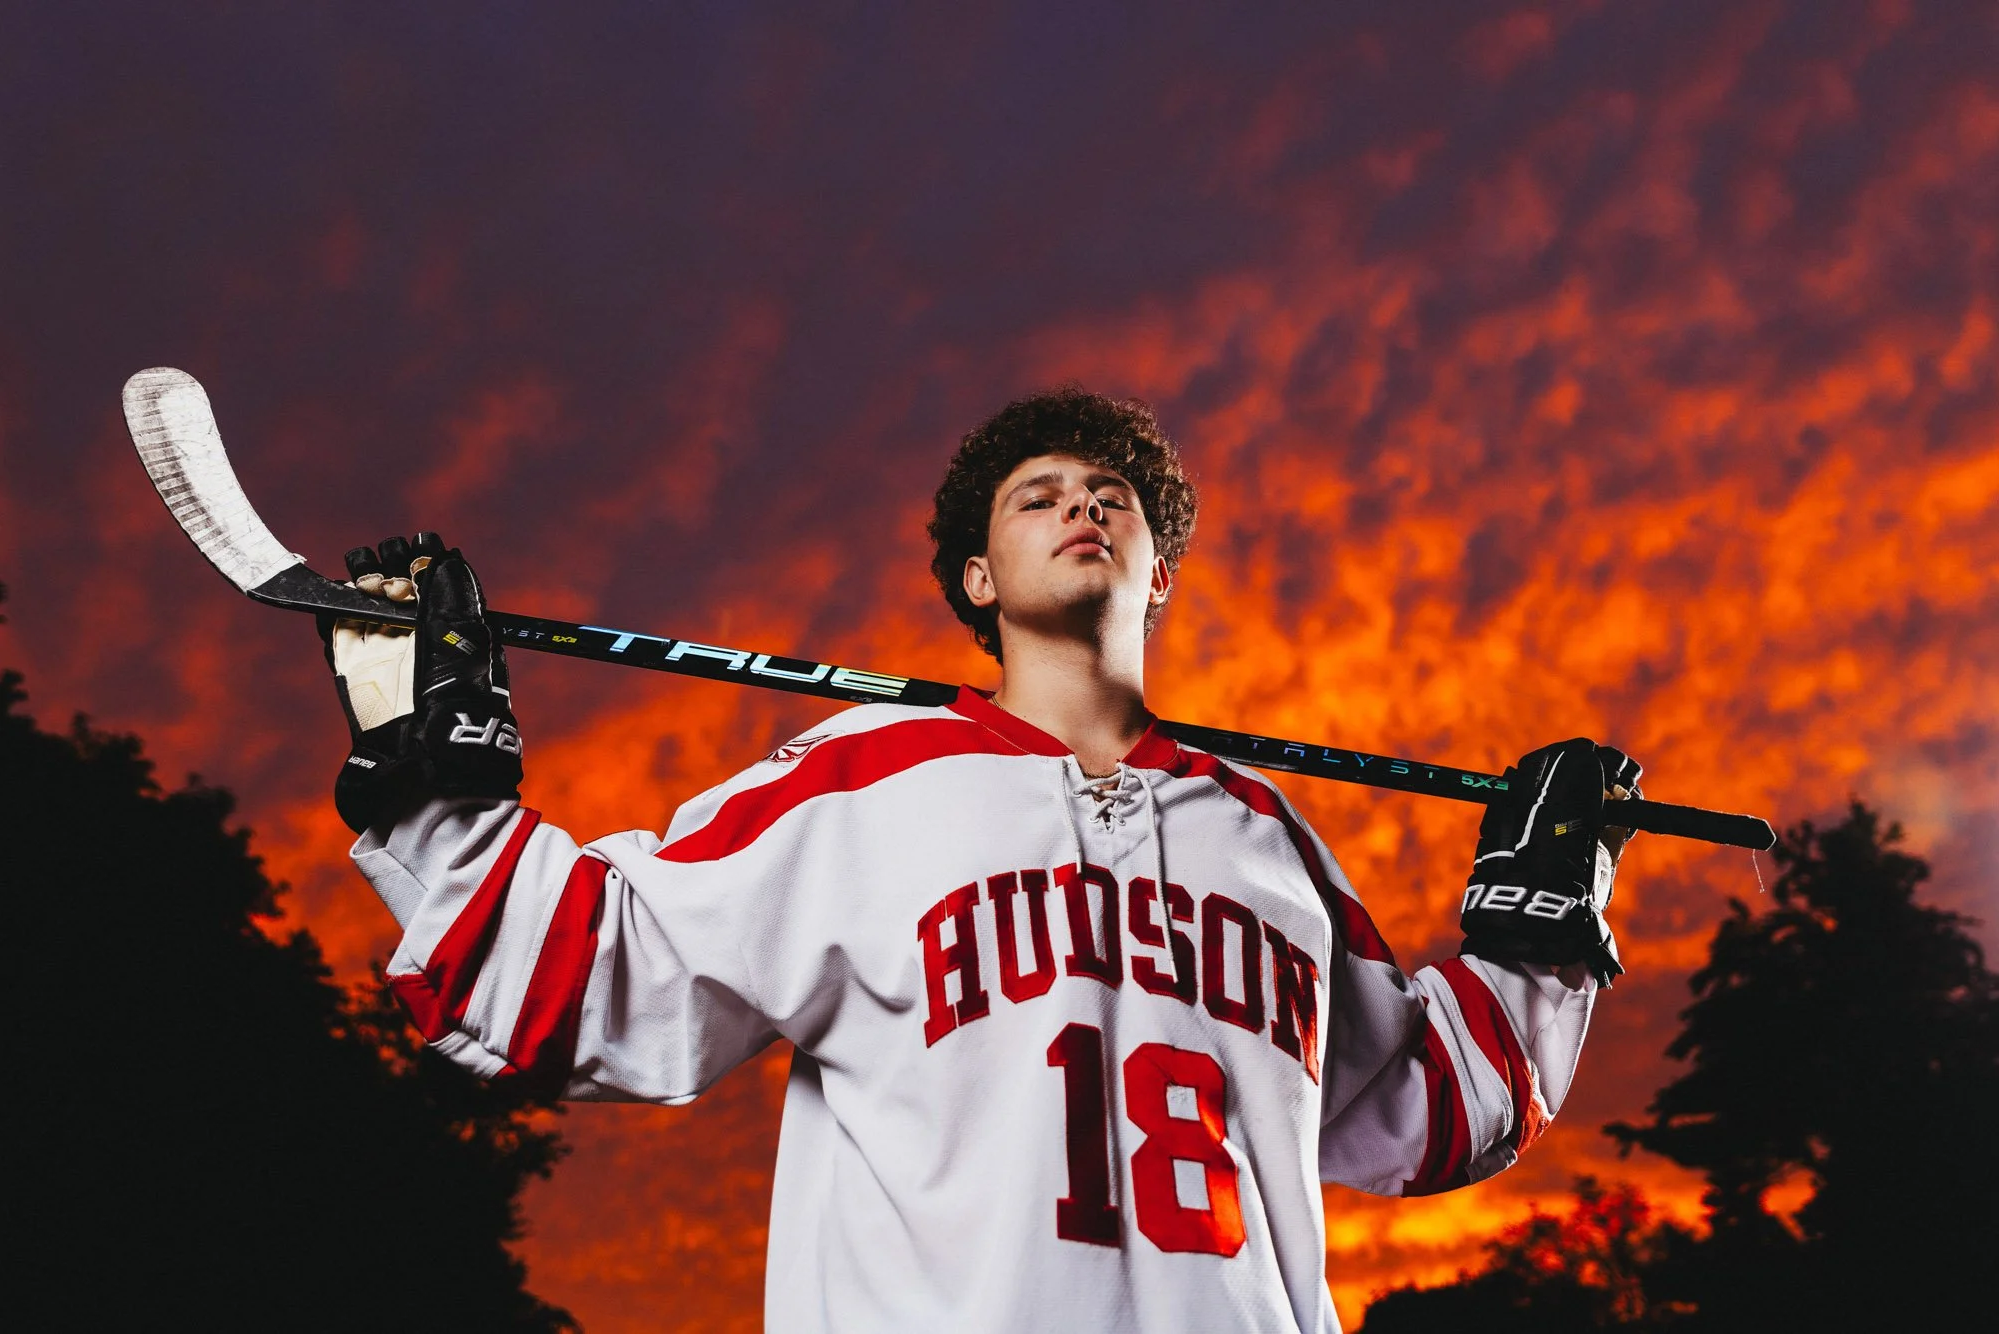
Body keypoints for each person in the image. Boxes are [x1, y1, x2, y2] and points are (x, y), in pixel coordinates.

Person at [323, 387, 1642, 1332]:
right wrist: (430, 774)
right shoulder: (862, 781)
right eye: (1040, 496)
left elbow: (1423, 1103)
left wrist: (1540, 935)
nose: (1083, 505)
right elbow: (584, 981)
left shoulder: (1271, 841)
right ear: (975, 577)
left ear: (1160, 571)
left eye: (1111, 497)